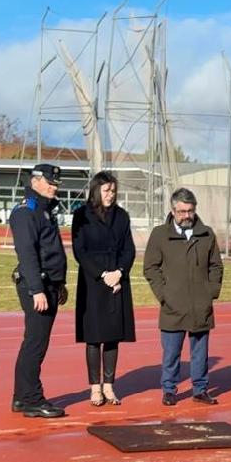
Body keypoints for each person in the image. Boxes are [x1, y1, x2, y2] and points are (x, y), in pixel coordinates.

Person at [143, 188, 224, 406]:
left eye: (190, 211)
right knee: (171, 353)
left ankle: (200, 389)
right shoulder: (160, 234)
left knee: (200, 353)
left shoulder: (206, 233)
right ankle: (169, 389)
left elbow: (216, 266)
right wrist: (164, 294)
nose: (186, 216)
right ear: (173, 210)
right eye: (181, 212)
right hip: (172, 305)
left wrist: (211, 292)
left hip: (200, 304)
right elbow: (150, 268)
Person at [10, 163, 69, 418]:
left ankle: (22, 397)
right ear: (35, 181)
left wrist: (60, 283)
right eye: (50, 182)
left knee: (35, 343)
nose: (54, 187)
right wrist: (37, 290)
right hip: (37, 285)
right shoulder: (26, 212)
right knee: (35, 343)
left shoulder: (44, 210)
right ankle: (32, 399)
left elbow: (50, 250)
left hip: (49, 284)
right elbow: (28, 255)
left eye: (56, 184)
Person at [72, 171, 136, 406]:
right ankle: (94, 388)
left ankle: (109, 386)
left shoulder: (122, 216)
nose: (111, 194)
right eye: (107, 190)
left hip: (117, 282)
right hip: (93, 282)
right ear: (97, 190)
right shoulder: (81, 215)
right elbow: (80, 251)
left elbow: (129, 249)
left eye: (113, 190)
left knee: (112, 337)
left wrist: (119, 272)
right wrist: (102, 274)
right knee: (93, 337)